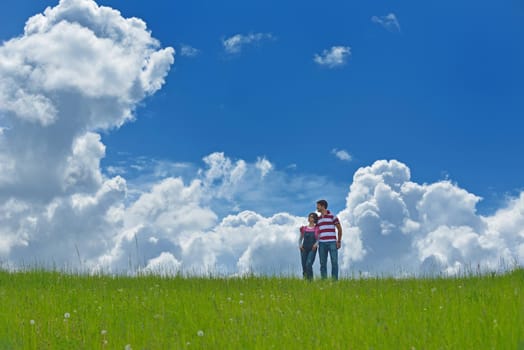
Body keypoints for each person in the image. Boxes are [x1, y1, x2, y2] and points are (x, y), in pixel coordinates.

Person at [316, 199, 343, 280]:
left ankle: (334, 281)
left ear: (323, 206)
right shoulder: (318, 219)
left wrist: (339, 241)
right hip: (321, 244)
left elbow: (339, 229)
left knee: (334, 262)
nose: (317, 208)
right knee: (322, 263)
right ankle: (324, 281)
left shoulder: (333, 216)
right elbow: (316, 232)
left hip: (332, 243)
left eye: (318, 206)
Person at [298, 212, 319, 280]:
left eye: (311, 217)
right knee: (304, 265)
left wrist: (316, 245)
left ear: (314, 219)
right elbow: (300, 238)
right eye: (309, 216)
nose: (309, 218)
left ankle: (310, 280)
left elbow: (318, 239)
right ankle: (305, 280)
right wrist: (300, 245)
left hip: (312, 249)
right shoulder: (304, 228)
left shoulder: (317, 228)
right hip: (304, 248)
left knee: (309, 264)